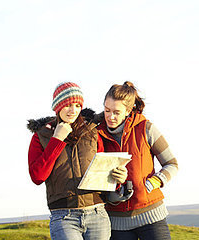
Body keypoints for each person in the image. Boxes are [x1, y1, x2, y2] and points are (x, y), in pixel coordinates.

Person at [28, 81, 128, 240]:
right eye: (67, 105)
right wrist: (57, 140)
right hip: (63, 217)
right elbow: (37, 176)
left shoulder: (92, 130)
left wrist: (119, 179)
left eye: (77, 105)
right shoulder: (41, 135)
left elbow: (103, 169)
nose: (73, 110)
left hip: (97, 214)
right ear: (57, 106)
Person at [98, 81, 178, 240]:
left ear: (128, 111)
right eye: (107, 110)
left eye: (116, 112)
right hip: (116, 221)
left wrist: (152, 183)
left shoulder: (146, 128)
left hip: (151, 216)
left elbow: (172, 164)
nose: (111, 116)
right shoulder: (96, 133)